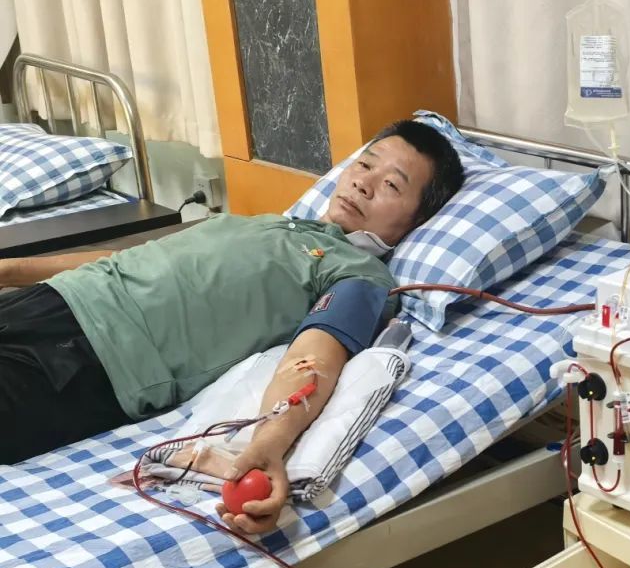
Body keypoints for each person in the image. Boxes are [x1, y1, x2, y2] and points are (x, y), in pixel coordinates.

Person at [0, 119, 465, 532]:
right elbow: (129, 259)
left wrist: (269, 443)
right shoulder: (262, 224)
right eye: (365, 165)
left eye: (392, 185)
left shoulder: (356, 274)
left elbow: (315, 356)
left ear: (418, 219)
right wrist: (11, 270)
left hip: (93, 357)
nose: (364, 183)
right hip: (52, 299)